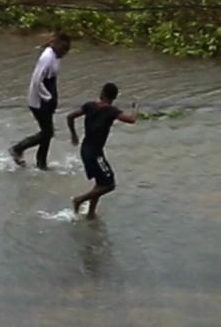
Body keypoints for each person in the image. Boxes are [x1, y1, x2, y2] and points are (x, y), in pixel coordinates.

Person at [67, 82, 137, 218]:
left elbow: (70, 116)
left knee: (100, 182)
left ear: (102, 93)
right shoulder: (111, 111)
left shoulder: (89, 106)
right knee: (109, 185)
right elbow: (132, 119)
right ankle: (79, 200)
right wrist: (136, 108)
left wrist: (74, 135)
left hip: (85, 149)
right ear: (114, 97)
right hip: (95, 153)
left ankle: (91, 213)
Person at [10, 33, 71, 169]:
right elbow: (37, 81)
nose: (65, 53)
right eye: (64, 49)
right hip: (39, 101)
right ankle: (18, 149)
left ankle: (41, 163)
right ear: (57, 45)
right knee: (47, 133)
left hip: (47, 97)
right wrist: (48, 98)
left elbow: (51, 79)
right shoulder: (47, 57)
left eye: (67, 51)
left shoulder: (55, 56)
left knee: (47, 132)